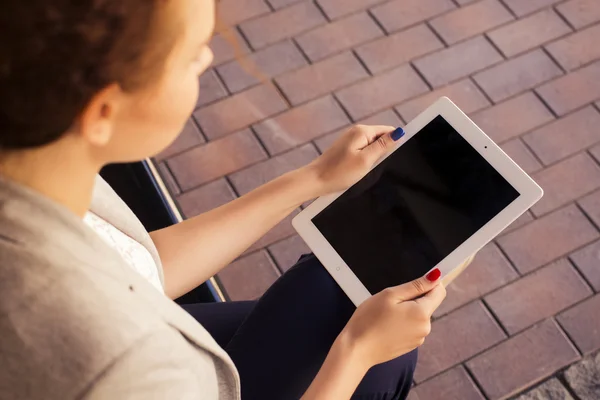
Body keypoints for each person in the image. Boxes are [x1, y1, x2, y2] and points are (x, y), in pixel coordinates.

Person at [0, 1, 472, 399]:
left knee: (334, 288)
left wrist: (313, 179)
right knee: (385, 360)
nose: (206, 61)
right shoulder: (122, 371)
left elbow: (138, 267)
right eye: (189, 56)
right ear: (102, 111)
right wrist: (356, 353)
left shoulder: (30, 166)